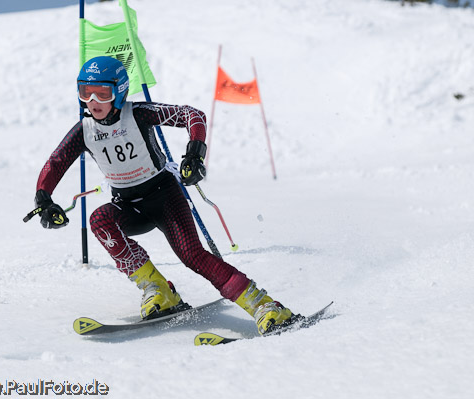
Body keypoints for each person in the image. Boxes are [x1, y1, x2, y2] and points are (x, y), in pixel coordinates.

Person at [34, 56, 301, 335]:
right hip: (127, 205)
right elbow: (55, 163)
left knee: (193, 256)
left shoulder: (137, 113)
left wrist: (195, 154)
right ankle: (159, 290)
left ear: (120, 91)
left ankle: (266, 306)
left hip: (164, 196)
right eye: (84, 92)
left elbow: (193, 115)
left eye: (102, 93)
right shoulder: (84, 130)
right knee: (99, 220)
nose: (92, 101)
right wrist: (44, 199)